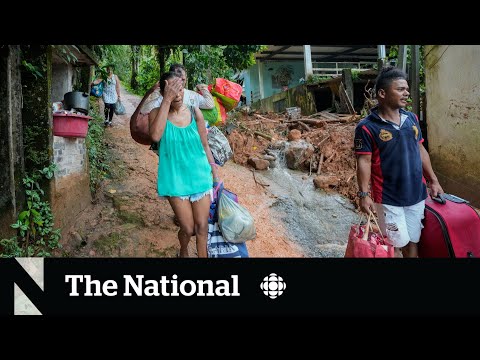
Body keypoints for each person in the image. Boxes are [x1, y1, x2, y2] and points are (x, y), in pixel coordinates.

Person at [354, 66, 444, 258]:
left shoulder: (411, 118)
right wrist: (363, 194)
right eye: (401, 89)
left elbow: (421, 150)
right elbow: (364, 161)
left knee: (413, 241)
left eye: (406, 89)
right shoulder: (367, 127)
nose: (407, 93)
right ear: (382, 93)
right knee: (394, 244)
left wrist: (433, 180)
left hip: (416, 194)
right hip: (388, 199)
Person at [149, 71, 221, 258]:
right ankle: (183, 249)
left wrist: (215, 174)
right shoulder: (157, 114)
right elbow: (155, 136)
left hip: (200, 175)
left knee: (202, 227)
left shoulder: (194, 111)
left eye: (180, 89)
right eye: (173, 91)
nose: (178, 95)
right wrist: (166, 100)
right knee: (188, 229)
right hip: (175, 180)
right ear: (165, 92)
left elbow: (205, 144)